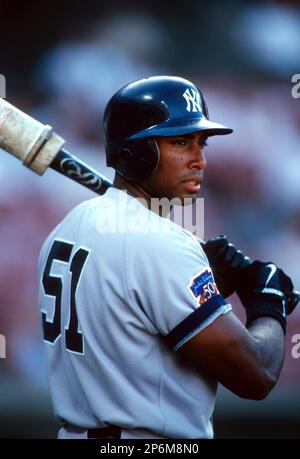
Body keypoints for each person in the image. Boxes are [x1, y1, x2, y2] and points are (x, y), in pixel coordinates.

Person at [38, 75, 298, 439]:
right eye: (180, 142)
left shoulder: (69, 226)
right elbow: (256, 376)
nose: (200, 161)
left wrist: (211, 285)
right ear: (135, 153)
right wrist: (268, 302)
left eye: (201, 143)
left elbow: (132, 315)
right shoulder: (161, 245)